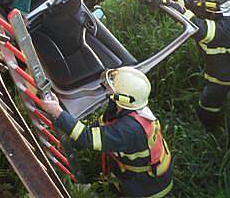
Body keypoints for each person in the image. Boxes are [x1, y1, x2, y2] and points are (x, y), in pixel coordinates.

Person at [138, 0, 230, 150]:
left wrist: (172, 6)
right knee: (208, 104)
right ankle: (207, 126)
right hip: (219, 72)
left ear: (213, 7)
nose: (196, 4)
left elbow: (200, 29)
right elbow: (186, 1)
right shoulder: (213, 8)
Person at [42, 67, 174, 198]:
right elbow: (100, 125)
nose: (108, 88)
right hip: (137, 174)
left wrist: (58, 113)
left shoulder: (129, 129)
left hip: (147, 187)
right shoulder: (124, 109)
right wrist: (72, 144)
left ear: (124, 98)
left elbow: (89, 138)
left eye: (113, 87)